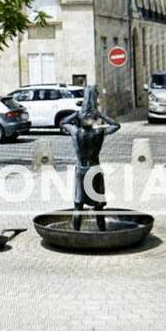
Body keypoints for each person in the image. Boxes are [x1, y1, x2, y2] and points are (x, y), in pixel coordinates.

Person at [60, 85, 121, 230]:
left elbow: (62, 123)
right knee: (99, 208)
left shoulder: (75, 132)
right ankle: (103, 235)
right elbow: (116, 125)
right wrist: (100, 114)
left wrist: (76, 113)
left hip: (81, 170)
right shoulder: (99, 132)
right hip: (95, 169)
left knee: (78, 206)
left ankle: (74, 235)